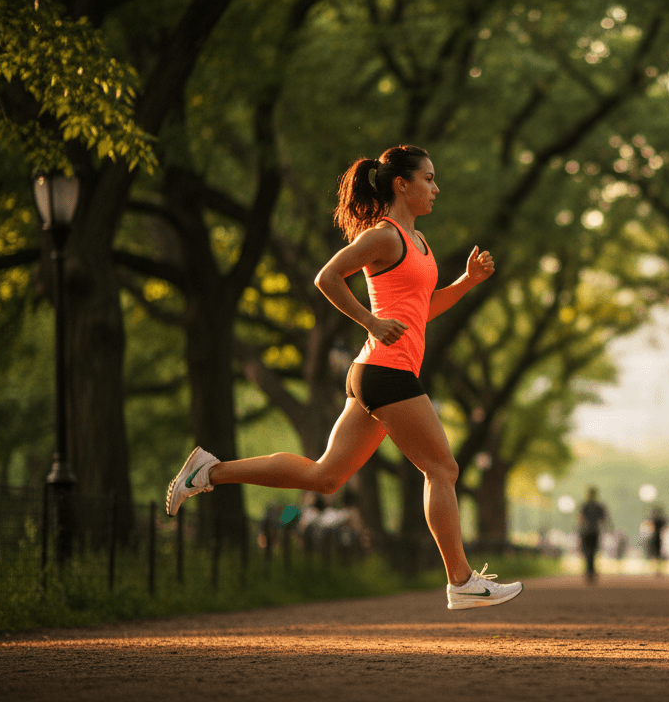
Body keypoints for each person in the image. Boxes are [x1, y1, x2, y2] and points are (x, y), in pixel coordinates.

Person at [165, 144, 522, 611]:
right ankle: (460, 579)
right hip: (385, 371)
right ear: (402, 184)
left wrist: (466, 283)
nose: (436, 188)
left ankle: (209, 471)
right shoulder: (385, 236)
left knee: (325, 478)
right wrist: (370, 322)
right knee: (443, 468)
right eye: (429, 179)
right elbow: (327, 277)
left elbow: (421, 311)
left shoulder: (419, 243)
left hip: (377, 373)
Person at [577, 486, 610, 585]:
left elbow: (580, 518)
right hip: (594, 531)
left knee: (588, 552)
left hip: (587, 531)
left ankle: (589, 570)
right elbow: (603, 520)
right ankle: (591, 570)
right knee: (592, 552)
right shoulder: (598, 506)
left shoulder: (584, 505)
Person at [648, 503, 667, 575]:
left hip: (656, 538)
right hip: (659, 539)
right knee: (657, 555)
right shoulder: (660, 520)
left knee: (656, 554)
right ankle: (658, 569)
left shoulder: (655, 519)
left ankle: (657, 570)